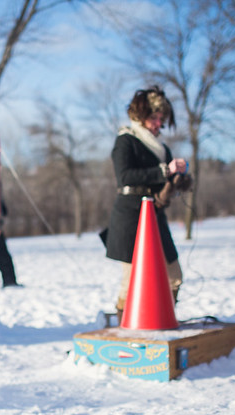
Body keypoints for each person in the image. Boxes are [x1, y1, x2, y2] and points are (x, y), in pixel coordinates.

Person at [103, 87, 192, 322]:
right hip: (130, 215)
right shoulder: (126, 141)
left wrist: (178, 179)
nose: (158, 124)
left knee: (174, 274)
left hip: (155, 214)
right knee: (132, 277)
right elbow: (125, 177)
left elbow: (166, 178)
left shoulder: (161, 148)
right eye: (154, 117)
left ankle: (163, 317)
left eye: (161, 119)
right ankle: (124, 323)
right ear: (140, 115)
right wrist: (164, 171)